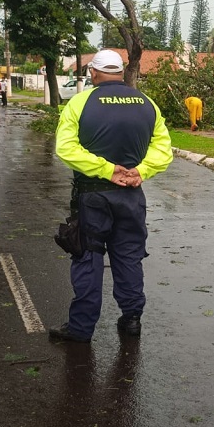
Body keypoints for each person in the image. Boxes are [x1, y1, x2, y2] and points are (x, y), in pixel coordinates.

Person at [52, 49, 173, 343]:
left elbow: (66, 148)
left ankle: (81, 329)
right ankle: (132, 319)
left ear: (93, 73)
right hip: (132, 197)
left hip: (93, 196)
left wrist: (106, 170)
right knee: (129, 256)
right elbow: (164, 150)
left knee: (88, 256)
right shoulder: (148, 105)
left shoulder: (80, 102)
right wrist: (140, 171)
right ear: (120, 72)